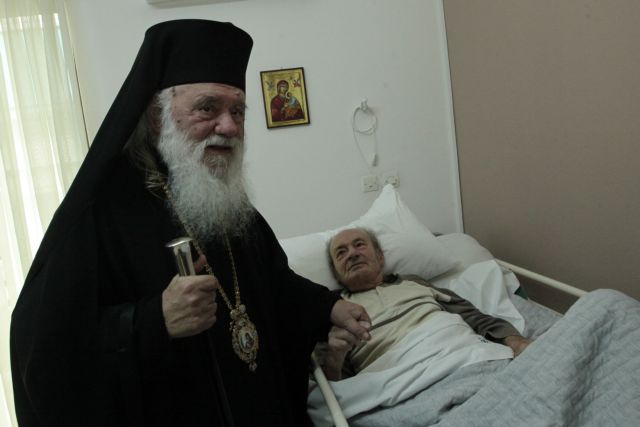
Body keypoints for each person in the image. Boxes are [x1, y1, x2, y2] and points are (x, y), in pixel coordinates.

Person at [9, 20, 371, 427]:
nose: (229, 127)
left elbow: (273, 285)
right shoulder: (102, 211)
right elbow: (40, 347)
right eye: (207, 108)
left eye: (238, 111)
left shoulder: (226, 203)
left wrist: (328, 306)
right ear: (157, 115)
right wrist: (152, 321)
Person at [322, 227, 532, 381]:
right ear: (336, 274)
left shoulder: (413, 282)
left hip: (465, 353)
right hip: (397, 380)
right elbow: (335, 387)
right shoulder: (333, 311)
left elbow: (473, 316)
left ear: (380, 257)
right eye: (341, 252)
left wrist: (515, 341)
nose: (352, 254)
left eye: (359, 245)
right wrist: (334, 359)